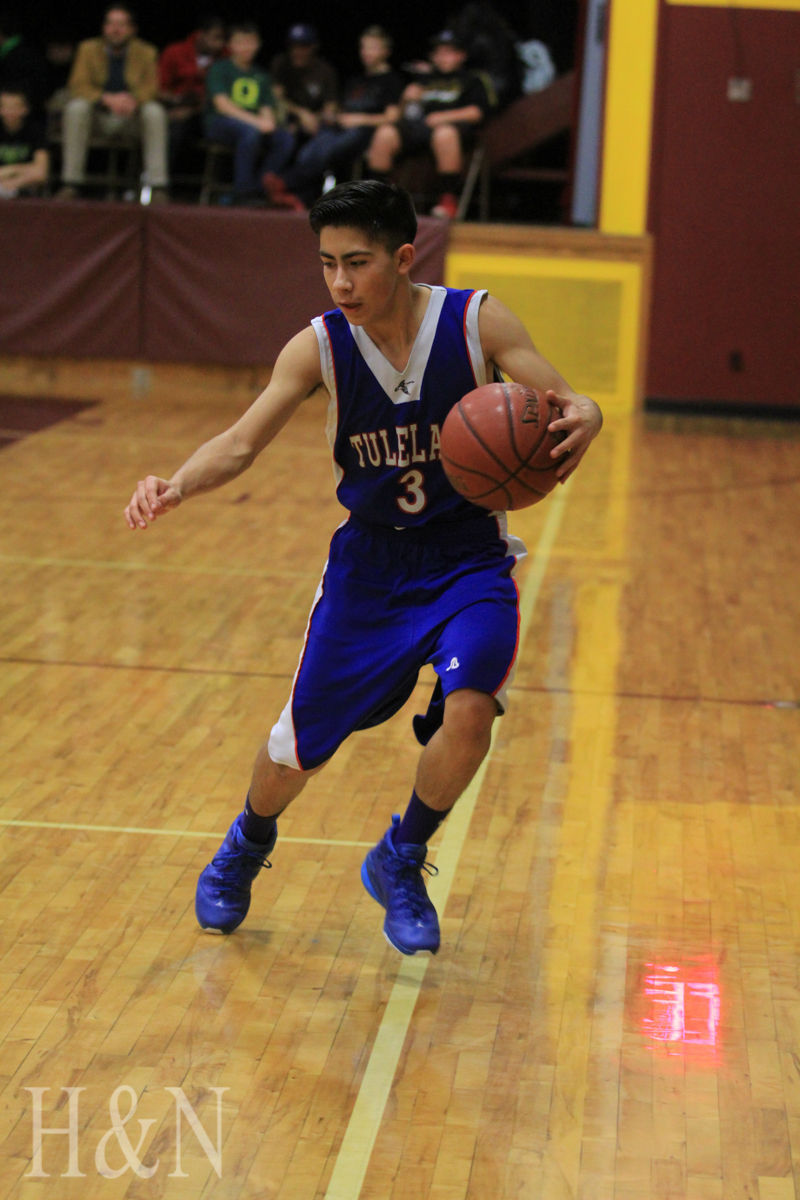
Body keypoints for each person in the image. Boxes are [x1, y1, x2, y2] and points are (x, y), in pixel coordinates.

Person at [123, 179, 602, 957]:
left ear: (403, 257)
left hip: (466, 557)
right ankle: (246, 841)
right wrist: (174, 484)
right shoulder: (318, 346)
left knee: (471, 708)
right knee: (296, 751)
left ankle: (401, 858)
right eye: (327, 265)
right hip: (370, 569)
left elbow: (561, 397)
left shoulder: (478, 321)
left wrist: (589, 410)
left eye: (358, 262)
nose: (341, 282)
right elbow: (242, 443)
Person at [269, 25, 404, 211]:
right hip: (340, 126)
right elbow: (341, 108)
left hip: (365, 131)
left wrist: (359, 119)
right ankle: (296, 194)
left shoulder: (391, 80)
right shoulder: (356, 80)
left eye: (373, 47)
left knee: (330, 149)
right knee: (312, 145)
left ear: (385, 51)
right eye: (363, 47)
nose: (366, 52)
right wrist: (332, 116)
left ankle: (284, 183)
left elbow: (392, 117)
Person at [367, 29, 494, 220]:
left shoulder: (473, 79)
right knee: (385, 133)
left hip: (452, 132)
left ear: (461, 55)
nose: (442, 57)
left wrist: (443, 117)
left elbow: (477, 112)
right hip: (417, 128)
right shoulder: (424, 78)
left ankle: (448, 199)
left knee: (444, 134)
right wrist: (405, 99)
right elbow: (398, 115)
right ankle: (378, 199)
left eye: (448, 52)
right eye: (438, 52)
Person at [56, 5, 169, 202]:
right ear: (103, 27)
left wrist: (132, 100)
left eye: (121, 24)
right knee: (76, 108)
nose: (115, 29)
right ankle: (71, 183)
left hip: (131, 118)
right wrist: (106, 99)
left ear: (132, 29)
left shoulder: (146, 52)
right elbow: (77, 85)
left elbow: (152, 88)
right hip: (97, 118)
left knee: (155, 111)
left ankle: (158, 186)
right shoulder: (87, 49)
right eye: (110, 24)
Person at [204, 20, 294, 206]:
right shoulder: (220, 68)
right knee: (250, 133)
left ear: (258, 44)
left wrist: (268, 121)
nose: (246, 47)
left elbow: (266, 107)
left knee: (284, 138)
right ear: (231, 45)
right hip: (221, 123)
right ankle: (243, 193)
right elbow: (222, 105)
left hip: (252, 124)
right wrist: (257, 122)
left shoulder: (261, 75)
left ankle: (260, 189)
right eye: (241, 42)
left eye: (250, 42)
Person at [263, 22, 338, 207]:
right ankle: (267, 191)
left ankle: (295, 193)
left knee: (322, 144)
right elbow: (276, 98)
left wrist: (315, 118)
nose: (297, 51)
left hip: (315, 125)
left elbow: (331, 107)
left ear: (313, 47)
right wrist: (301, 114)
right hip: (286, 121)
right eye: (294, 46)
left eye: (303, 46)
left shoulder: (325, 71)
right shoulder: (281, 64)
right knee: (286, 136)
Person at [158, 14, 226, 175]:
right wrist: (176, 101)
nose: (219, 44)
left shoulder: (225, 57)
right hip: (176, 112)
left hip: (209, 114)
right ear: (201, 35)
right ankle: (163, 181)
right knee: (174, 130)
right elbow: (159, 89)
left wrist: (193, 110)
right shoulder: (175, 52)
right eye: (215, 38)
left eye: (222, 39)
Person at [0, 86, 48, 196]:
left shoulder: (35, 132)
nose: (10, 112)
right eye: (6, 107)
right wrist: (26, 168)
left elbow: (41, 173)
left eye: (15, 107)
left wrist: (11, 176)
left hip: (24, 189)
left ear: (25, 109)